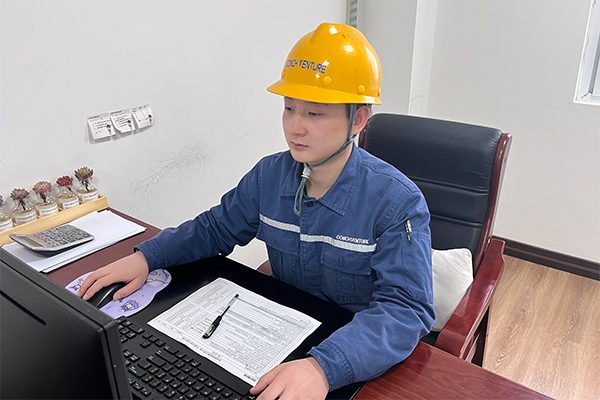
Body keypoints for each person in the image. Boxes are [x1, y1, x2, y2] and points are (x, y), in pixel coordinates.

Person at [79, 22, 434, 400]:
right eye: (289, 108)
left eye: (315, 114)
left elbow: (405, 309)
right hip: (279, 336)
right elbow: (214, 229)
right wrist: (148, 257)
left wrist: (324, 368)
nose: (295, 127)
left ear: (358, 120)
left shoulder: (397, 202)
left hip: (354, 354)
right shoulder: (269, 175)